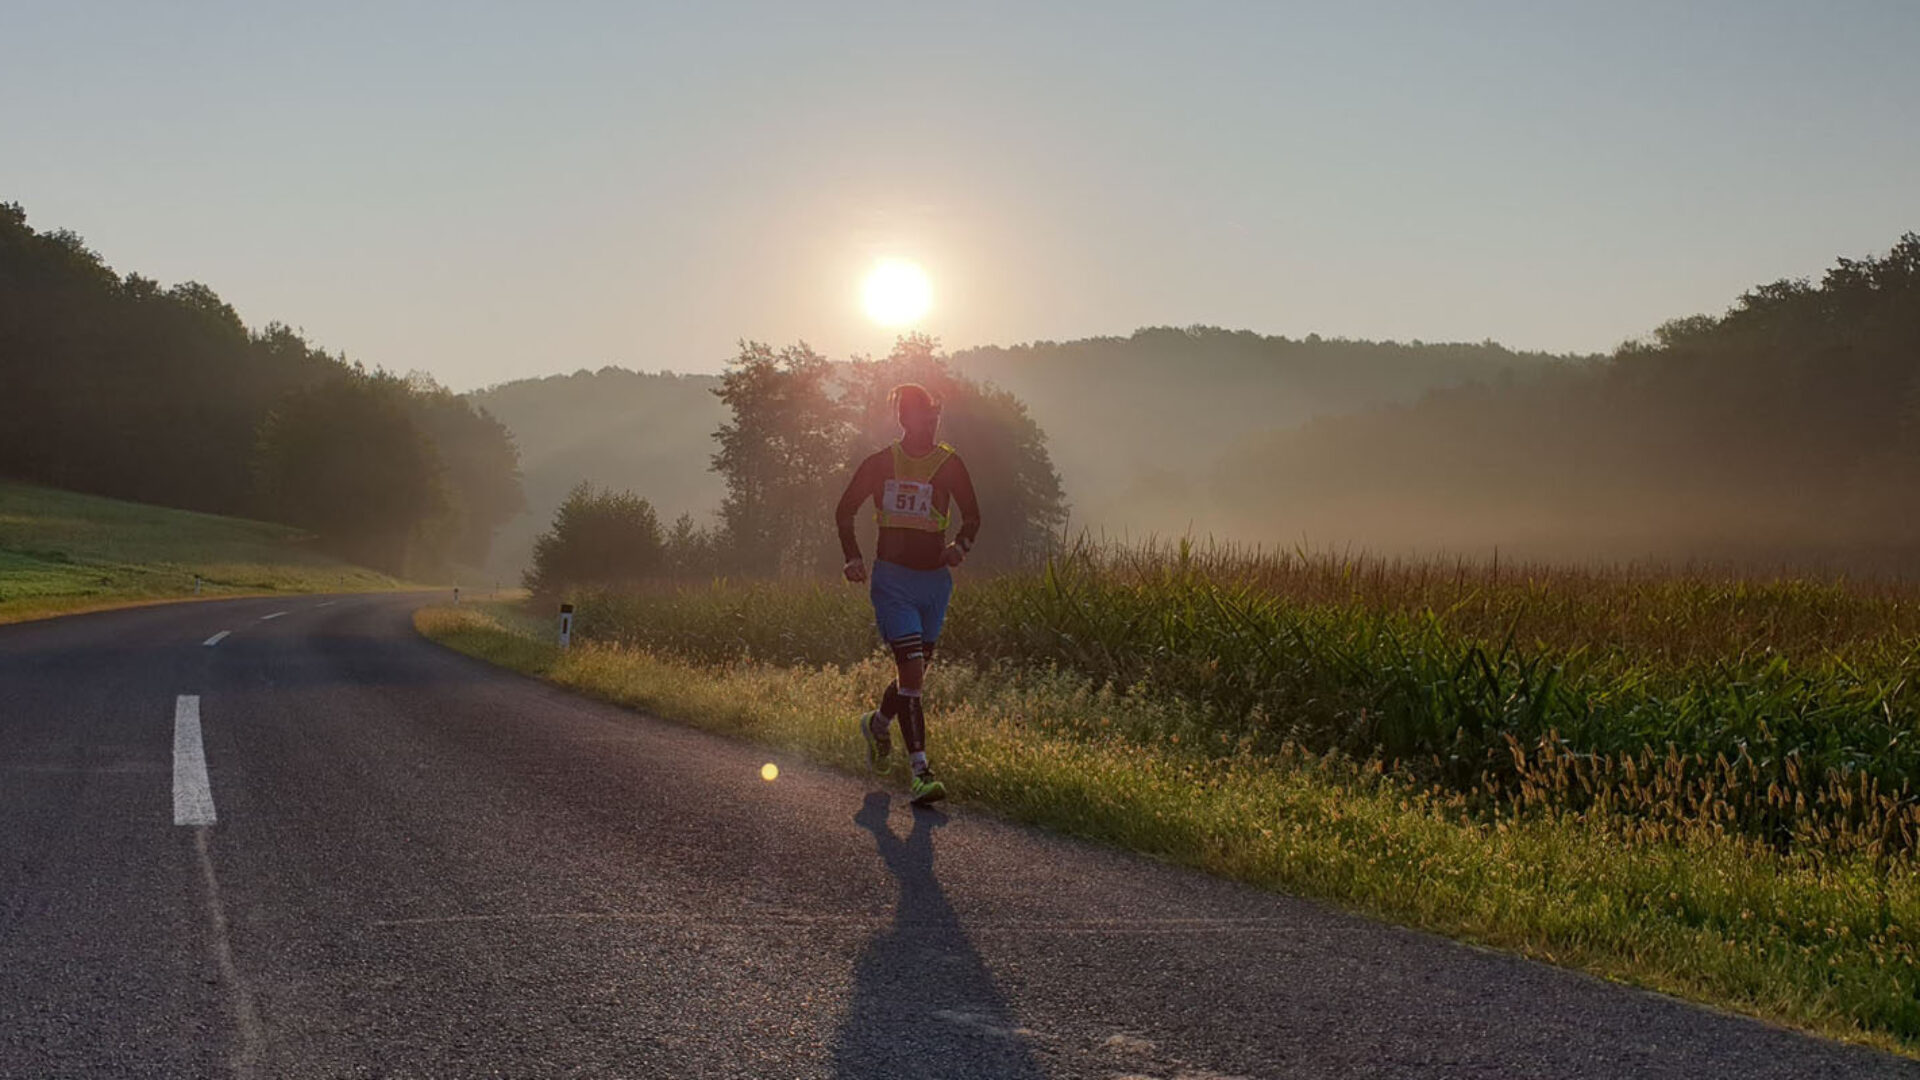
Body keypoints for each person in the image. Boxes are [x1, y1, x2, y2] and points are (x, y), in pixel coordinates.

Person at [834, 383, 981, 805]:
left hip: (935, 584)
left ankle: (878, 725)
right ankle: (920, 772)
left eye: (936, 414)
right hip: (892, 581)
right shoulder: (880, 463)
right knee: (913, 674)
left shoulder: (950, 464)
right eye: (925, 415)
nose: (933, 421)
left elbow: (973, 516)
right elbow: (844, 510)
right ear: (905, 420)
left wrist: (960, 547)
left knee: (912, 676)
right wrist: (851, 558)